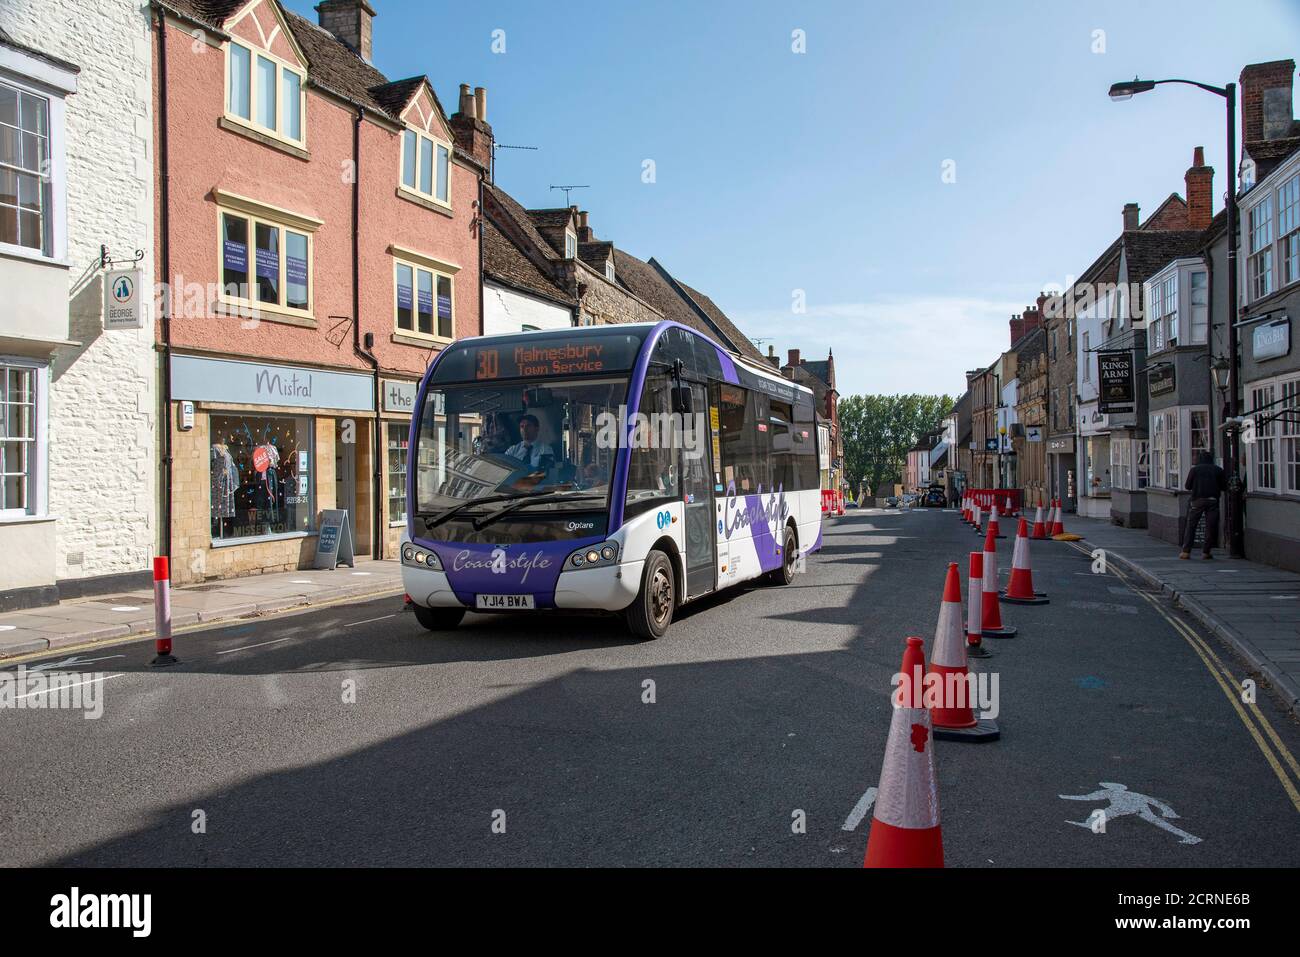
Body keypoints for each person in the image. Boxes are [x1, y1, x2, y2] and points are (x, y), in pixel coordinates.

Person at [1180, 450, 1227, 560]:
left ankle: (1186, 551)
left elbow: (1187, 486)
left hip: (1197, 500)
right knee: (1210, 526)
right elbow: (1224, 487)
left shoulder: (1194, 470)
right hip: (1212, 500)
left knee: (1191, 526)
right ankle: (1206, 552)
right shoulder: (1218, 470)